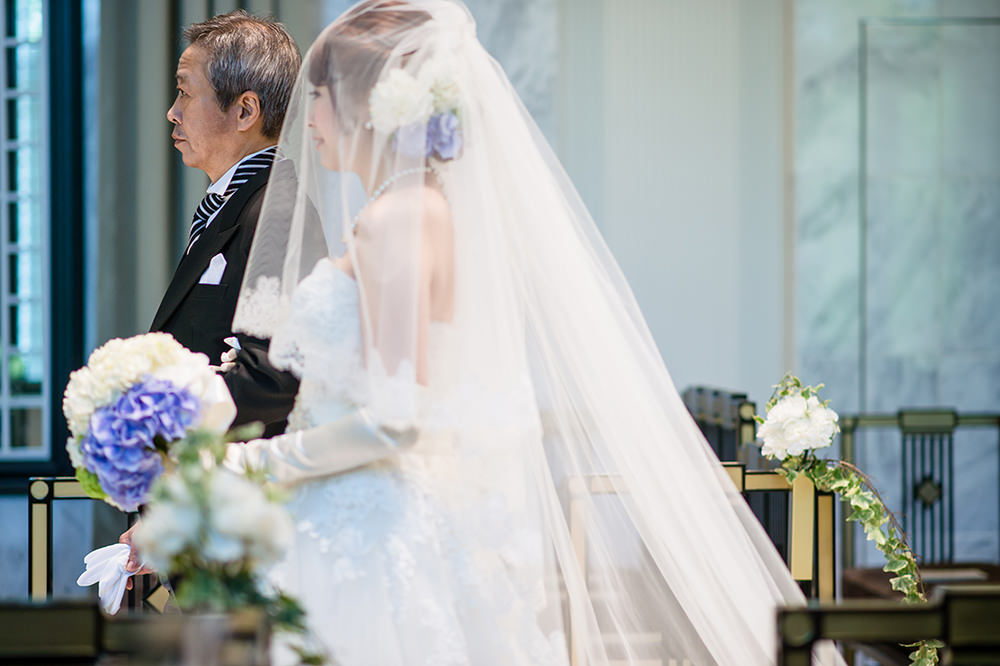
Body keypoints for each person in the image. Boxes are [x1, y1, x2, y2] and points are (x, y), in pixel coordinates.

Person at [225, 1, 839, 664]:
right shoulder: (412, 207)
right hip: (356, 510)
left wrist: (257, 462)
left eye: (319, 98)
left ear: (370, 103)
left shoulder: (400, 218)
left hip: (368, 528)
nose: (308, 120)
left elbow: (397, 418)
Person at [122, 10, 303, 583]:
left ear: (245, 111)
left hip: (244, 526)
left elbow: (273, 375)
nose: (171, 112)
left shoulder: (276, 209)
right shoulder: (236, 204)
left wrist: (156, 411)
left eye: (185, 92)